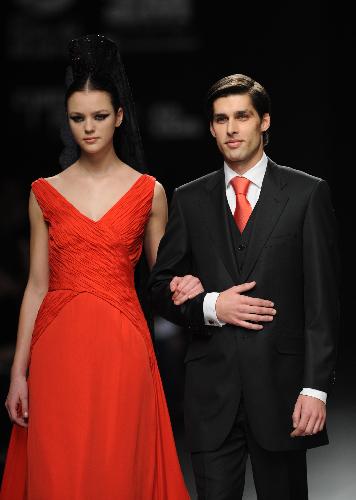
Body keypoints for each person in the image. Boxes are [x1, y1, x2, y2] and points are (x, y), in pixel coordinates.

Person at [0, 34, 202, 499]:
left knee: (117, 472)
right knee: (61, 473)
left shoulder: (148, 192)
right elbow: (35, 286)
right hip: (57, 352)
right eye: (77, 118)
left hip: (122, 348)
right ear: (66, 121)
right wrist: (18, 373)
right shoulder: (43, 193)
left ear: (119, 117)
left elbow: (161, 279)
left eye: (98, 116)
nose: (88, 128)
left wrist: (189, 287)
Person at [149, 73, 339, 499]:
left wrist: (315, 388)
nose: (232, 128)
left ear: (264, 121)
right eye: (221, 119)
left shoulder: (307, 194)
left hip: (284, 392)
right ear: (212, 128)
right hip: (211, 395)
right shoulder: (189, 199)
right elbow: (160, 288)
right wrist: (212, 306)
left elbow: (322, 304)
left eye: (242, 116)